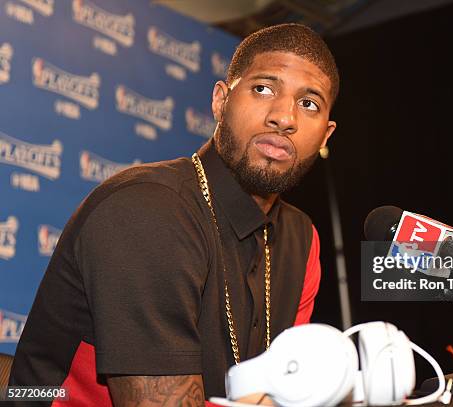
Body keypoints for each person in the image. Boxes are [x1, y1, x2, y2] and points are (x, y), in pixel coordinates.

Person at [8, 23, 339, 406]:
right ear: (220, 100)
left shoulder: (302, 239)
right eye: (263, 88)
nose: (284, 117)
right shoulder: (146, 209)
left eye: (309, 103)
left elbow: (281, 390)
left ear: (326, 134)